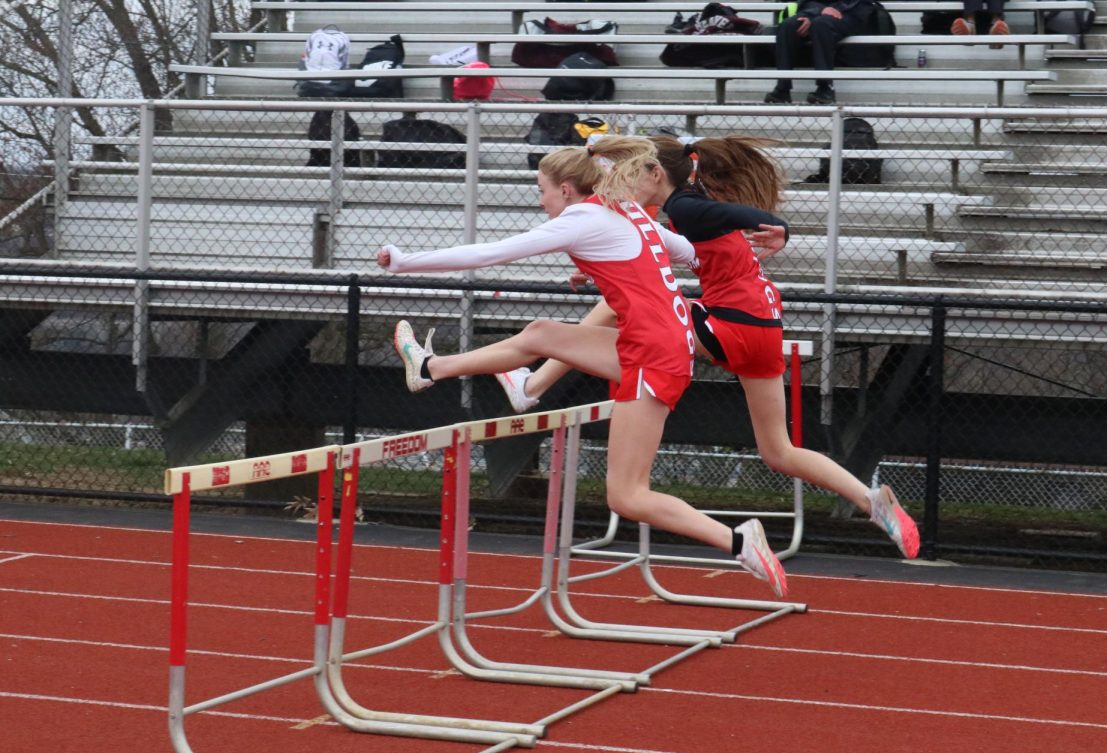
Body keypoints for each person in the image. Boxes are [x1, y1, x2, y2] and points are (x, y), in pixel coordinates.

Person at [375, 140, 790, 597]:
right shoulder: (630, 213)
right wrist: (602, 270)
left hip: (654, 355)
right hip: (658, 345)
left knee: (627, 495)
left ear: (568, 189)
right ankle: (434, 368)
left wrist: (405, 262)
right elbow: (693, 255)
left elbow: (493, 253)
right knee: (542, 333)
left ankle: (737, 540)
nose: (540, 201)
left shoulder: (584, 218)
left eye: (543, 190)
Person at [496, 134, 920, 560]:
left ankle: (532, 385)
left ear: (654, 173)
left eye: (628, 177)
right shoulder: (683, 201)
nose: (622, 188)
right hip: (763, 324)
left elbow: (733, 220)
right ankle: (871, 501)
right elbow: (655, 252)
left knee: (619, 303)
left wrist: (781, 229)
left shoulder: (685, 206)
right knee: (779, 450)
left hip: (731, 322)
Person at [764, 0, 875, 105]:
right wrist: (816, 12)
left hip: (851, 11)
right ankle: (782, 89)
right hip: (819, 11)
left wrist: (826, 11)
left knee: (821, 25)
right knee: (788, 26)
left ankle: (825, 88)